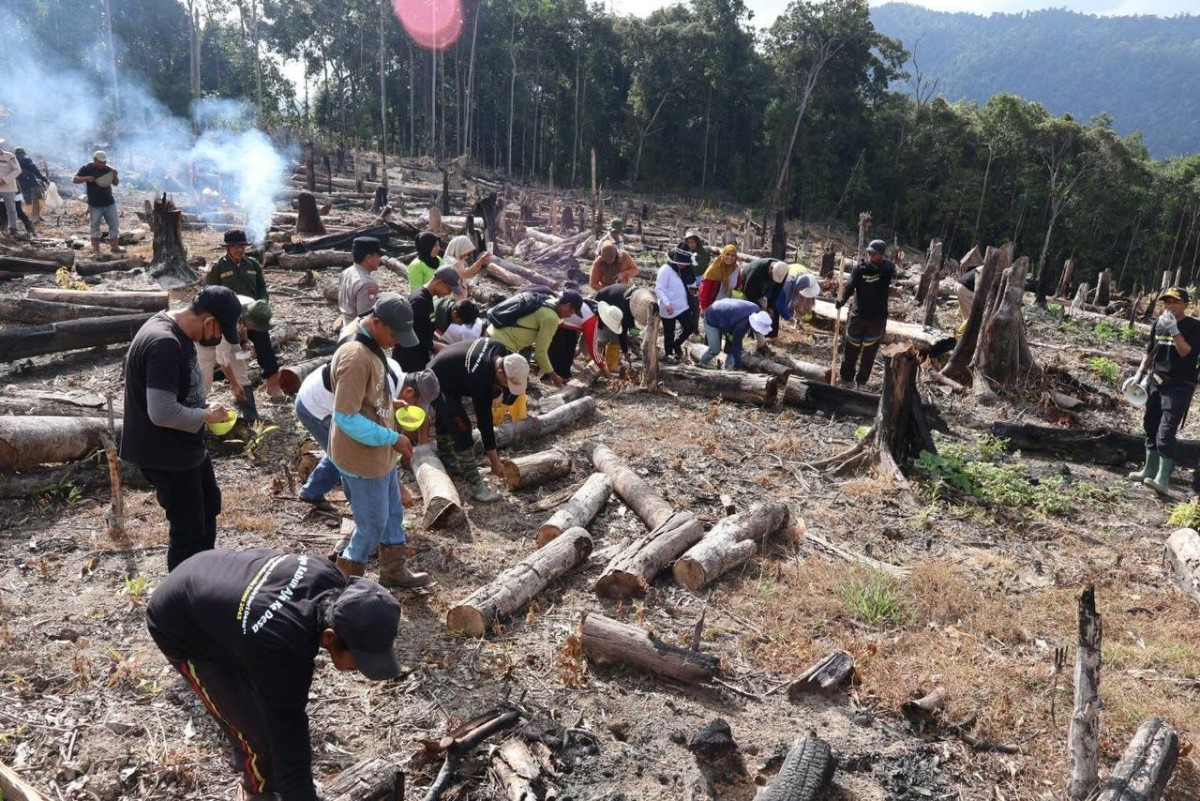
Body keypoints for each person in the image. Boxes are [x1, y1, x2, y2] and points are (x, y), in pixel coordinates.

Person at [146, 548, 403, 801]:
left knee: (265, 700)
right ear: (329, 637)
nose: (360, 668)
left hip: (207, 572)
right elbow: (287, 725)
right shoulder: (281, 645)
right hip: (179, 623)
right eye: (360, 659)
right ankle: (256, 790)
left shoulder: (330, 578)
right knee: (258, 737)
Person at [120, 286, 241, 571]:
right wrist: (205, 415)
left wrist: (203, 407)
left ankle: (203, 579)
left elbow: (175, 392)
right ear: (209, 320)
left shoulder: (177, 331)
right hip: (166, 453)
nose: (218, 339)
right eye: (220, 332)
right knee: (188, 530)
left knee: (209, 505)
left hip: (185, 445)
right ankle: (182, 599)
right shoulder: (164, 343)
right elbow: (161, 412)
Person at [327, 294, 431, 587]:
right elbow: (345, 417)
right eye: (394, 334)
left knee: (393, 513)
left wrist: (388, 402)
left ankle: (393, 570)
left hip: (380, 451)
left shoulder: (371, 343)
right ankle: (344, 583)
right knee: (371, 525)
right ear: (375, 322)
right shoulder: (355, 356)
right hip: (362, 456)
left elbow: (365, 397)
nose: (397, 341)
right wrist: (392, 436)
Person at [295, 353, 438, 514]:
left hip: (322, 394)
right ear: (409, 392)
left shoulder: (395, 369)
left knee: (338, 450)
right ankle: (362, 514)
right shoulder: (382, 387)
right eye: (416, 405)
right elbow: (373, 443)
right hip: (315, 405)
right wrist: (400, 489)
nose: (414, 411)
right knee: (350, 456)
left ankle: (312, 491)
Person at [429, 338, 530, 503]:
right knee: (462, 427)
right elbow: (485, 423)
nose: (507, 386)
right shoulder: (480, 378)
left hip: (452, 372)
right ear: (500, 372)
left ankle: (447, 456)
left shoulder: (499, 348)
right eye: (507, 383)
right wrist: (494, 461)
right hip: (435, 381)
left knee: (450, 417)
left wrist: (497, 390)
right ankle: (476, 486)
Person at [1126, 287, 1200, 493]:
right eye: (1166, 302)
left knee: (1166, 432)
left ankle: (1163, 479)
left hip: (1179, 386)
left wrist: (1175, 330)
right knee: (1150, 426)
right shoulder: (1159, 324)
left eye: (1174, 302)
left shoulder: (1195, 327)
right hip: (1155, 382)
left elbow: (1187, 353)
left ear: (1186, 304)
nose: (1169, 306)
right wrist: (1139, 374)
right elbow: (1150, 351)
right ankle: (1148, 470)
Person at [206, 229, 285, 402]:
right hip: (230, 319)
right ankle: (239, 389)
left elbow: (262, 287)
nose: (239, 250)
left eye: (241, 246)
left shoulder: (253, 264)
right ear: (227, 247)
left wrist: (263, 301)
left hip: (252, 315)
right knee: (233, 352)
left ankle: (273, 385)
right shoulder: (217, 267)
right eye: (234, 246)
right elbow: (210, 293)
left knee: (264, 346)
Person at [487, 290, 584, 388]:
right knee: (507, 386)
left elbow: (526, 321)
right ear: (567, 306)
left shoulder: (548, 299)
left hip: (492, 332)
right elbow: (540, 354)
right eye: (572, 312)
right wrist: (554, 376)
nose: (570, 316)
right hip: (503, 345)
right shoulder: (551, 318)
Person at [196, 295, 270, 423]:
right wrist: (234, 385)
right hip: (205, 341)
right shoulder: (227, 321)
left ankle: (250, 416)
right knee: (204, 383)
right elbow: (222, 361)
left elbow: (243, 327)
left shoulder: (251, 307)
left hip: (230, 334)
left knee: (241, 372)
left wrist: (244, 342)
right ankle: (198, 418)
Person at [837, 239, 895, 387]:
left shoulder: (887, 269)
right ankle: (846, 379)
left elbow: (884, 271)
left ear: (882, 255)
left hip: (877, 319)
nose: (870, 256)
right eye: (869, 253)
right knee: (851, 349)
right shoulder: (859, 269)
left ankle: (862, 382)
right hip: (858, 316)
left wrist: (869, 266)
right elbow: (850, 286)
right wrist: (842, 300)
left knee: (869, 354)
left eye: (873, 254)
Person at [394, 266, 460, 372]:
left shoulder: (427, 299)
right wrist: (435, 345)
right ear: (439, 282)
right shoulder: (419, 301)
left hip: (417, 357)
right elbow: (413, 338)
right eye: (449, 289)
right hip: (408, 362)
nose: (448, 293)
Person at [696, 298, 773, 370]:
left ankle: (728, 369)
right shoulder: (742, 325)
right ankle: (701, 365)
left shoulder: (756, 309)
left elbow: (733, 340)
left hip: (723, 314)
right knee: (715, 349)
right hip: (712, 316)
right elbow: (737, 345)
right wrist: (738, 367)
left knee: (731, 349)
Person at [73, 150, 122, 254]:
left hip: (109, 201)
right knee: (95, 225)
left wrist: (115, 176)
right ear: (95, 160)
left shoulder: (108, 169)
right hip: (95, 203)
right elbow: (75, 179)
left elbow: (116, 183)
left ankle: (114, 246)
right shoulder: (87, 168)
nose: (103, 164)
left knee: (114, 224)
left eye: (105, 162)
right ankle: (95, 248)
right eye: (101, 162)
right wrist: (86, 178)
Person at [656, 246, 694, 363]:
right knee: (669, 333)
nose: (683, 265)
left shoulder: (685, 270)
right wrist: (667, 304)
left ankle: (676, 344)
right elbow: (659, 289)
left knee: (690, 327)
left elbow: (690, 281)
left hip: (682, 306)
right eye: (680, 263)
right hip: (668, 308)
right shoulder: (665, 269)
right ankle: (668, 354)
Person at [336, 236, 383, 326]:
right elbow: (366, 317)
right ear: (369, 257)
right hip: (358, 330)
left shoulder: (347, 272)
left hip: (346, 324)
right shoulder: (368, 284)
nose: (379, 259)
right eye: (377, 256)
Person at [740, 258, 789, 338]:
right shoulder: (756, 269)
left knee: (767, 313)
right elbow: (748, 291)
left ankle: (763, 339)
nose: (773, 280)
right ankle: (740, 335)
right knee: (749, 312)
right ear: (770, 269)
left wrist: (770, 306)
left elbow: (777, 290)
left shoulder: (783, 271)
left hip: (762, 290)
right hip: (747, 287)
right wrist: (760, 307)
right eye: (772, 276)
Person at [0, 142, 34, 239]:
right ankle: (2, 229)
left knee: (12, 209)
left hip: (8, 188)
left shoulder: (9, 156)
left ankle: (13, 230)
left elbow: (17, 170)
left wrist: (4, 180)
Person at [699, 244, 739, 315]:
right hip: (713, 306)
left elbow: (738, 286)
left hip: (729, 306)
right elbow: (704, 289)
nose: (730, 257)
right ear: (722, 255)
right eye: (727, 254)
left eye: (732, 255)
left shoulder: (736, 269)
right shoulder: (713, 270)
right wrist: (703, 306)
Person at [14, 147, 48, 227]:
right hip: (31, 183)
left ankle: (33, 216)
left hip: (21, 184)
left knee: (27, 200)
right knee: (36, 199)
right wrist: (42, 178)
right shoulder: (27, 159)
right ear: (23, 152)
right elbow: (34, 170)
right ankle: (35, 218)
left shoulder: (14, 160)